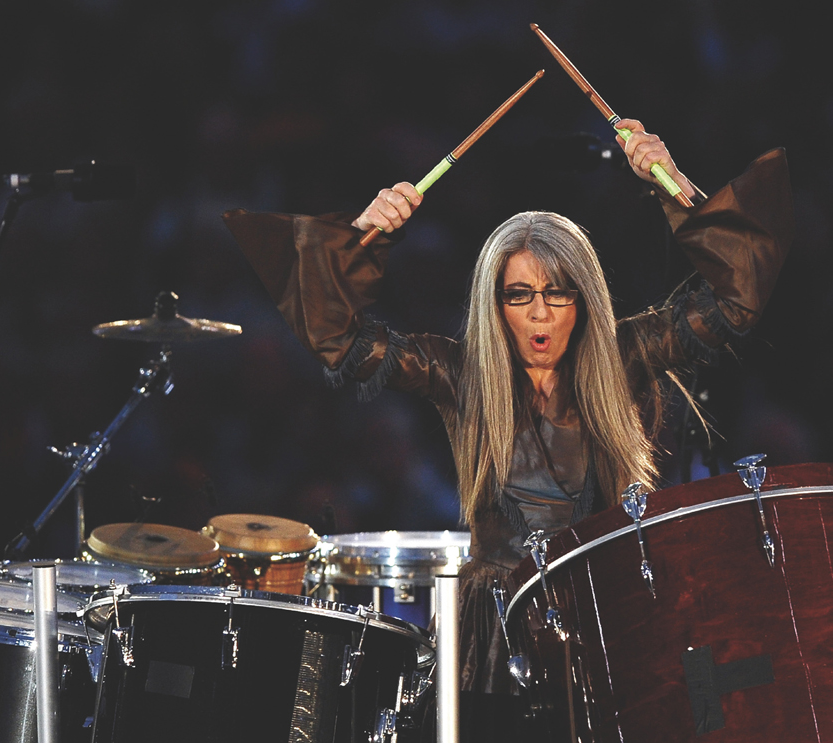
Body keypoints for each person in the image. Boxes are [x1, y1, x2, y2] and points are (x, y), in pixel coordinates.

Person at [223, 119, 793, 696]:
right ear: (495, 305)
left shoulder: (623, 355)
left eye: (557, 292)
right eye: (519, 295)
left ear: (584, 297)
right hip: (494, 636)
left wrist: (674, 187)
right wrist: (365, 235)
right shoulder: (461, 372)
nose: (540, 313)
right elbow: (339, 338)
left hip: (606, 609)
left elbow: (735, 299)